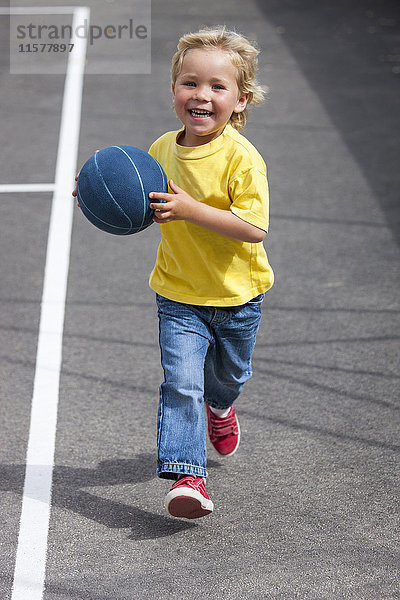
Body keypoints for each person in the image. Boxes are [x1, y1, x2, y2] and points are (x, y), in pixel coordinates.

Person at [147, 25, 274, 520]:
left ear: (240, 101)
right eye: (190, 82)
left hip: (237, 297)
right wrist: (98, 191)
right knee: (181, 383)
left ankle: (221, 408)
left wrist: (192, 208)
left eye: (217, 87)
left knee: (228, 378)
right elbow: (142, 196)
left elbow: (253, 229)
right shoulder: (162, 148)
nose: (201, 95)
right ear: (175, 89)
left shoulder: (242, 160)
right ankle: (188, 476)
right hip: (178, 293)